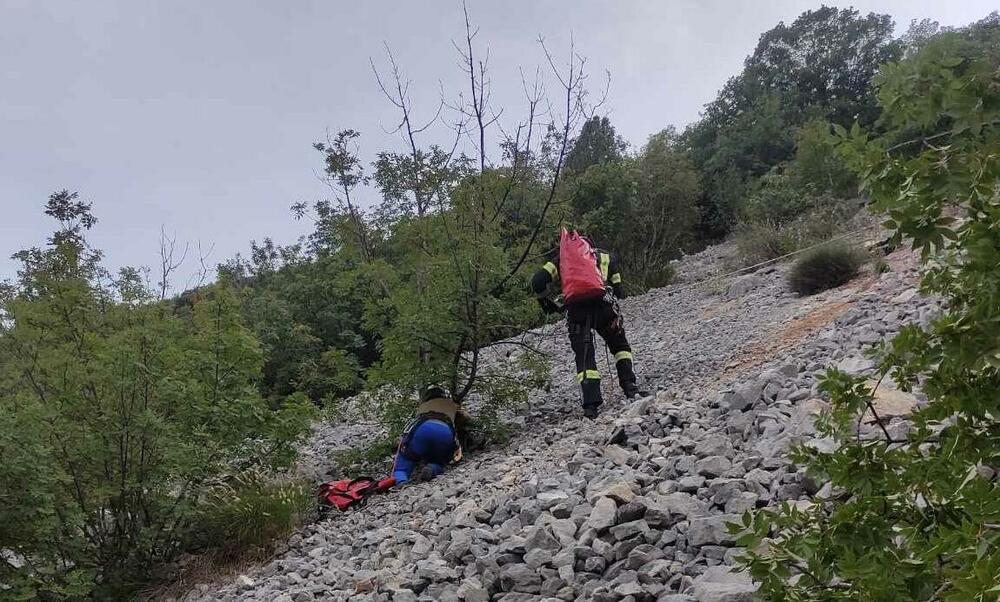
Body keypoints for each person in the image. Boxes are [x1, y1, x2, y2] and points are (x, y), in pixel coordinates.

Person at [531, 232, 645, 419]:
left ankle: (591, 407)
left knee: (585, 357)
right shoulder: (605, 256)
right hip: (604, 308)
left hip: (577, 312)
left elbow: (537, 282)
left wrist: (548, 302)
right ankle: (630, 388)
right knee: (620, 348)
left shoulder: (561, 258)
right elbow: (618, 289)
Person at [391, 386, 471, 484]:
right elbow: (466, 418)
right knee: (440, 461)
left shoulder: (422, 406)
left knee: (405, 462)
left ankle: (401, 481)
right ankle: (433, 468)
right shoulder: (452, 404)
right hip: (445, 431)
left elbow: (410, 429)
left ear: (427, 397)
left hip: (423, 427)